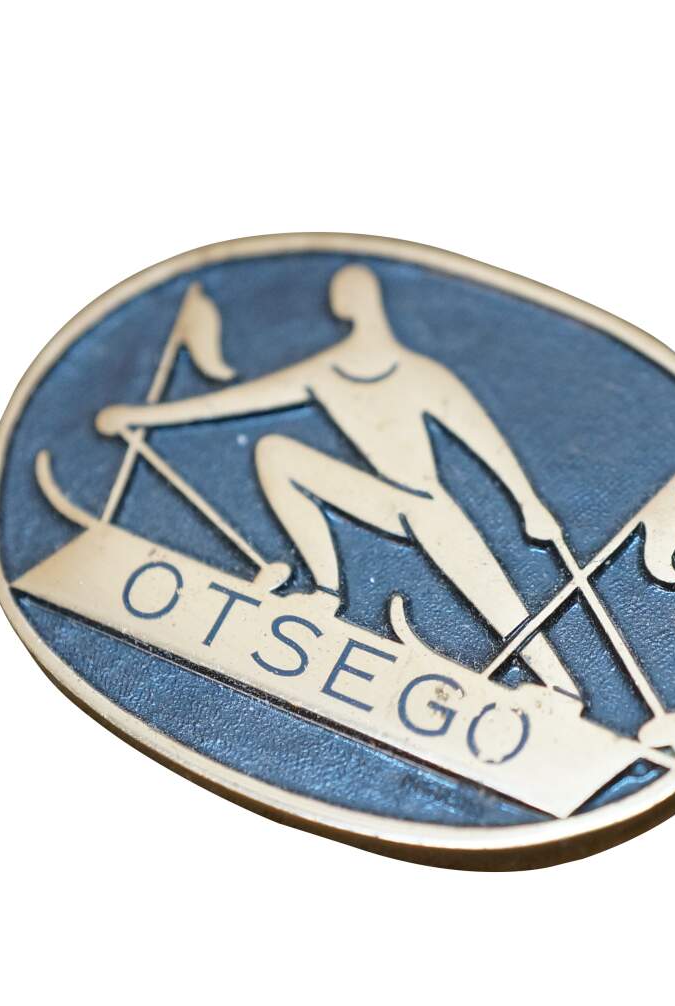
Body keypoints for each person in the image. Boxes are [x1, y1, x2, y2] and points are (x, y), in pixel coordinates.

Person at [96, 264, 580, 699]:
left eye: (352, 294)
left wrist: (528, 504)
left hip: (428, 504)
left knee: (499, 602)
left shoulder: (419, 373)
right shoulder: (325, 371)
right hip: (383, 498)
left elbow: (484, 441)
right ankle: (327, 594)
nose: (348, 302)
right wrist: (141, 416)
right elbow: (232, 402)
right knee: (276, 453)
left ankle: (562, 693)